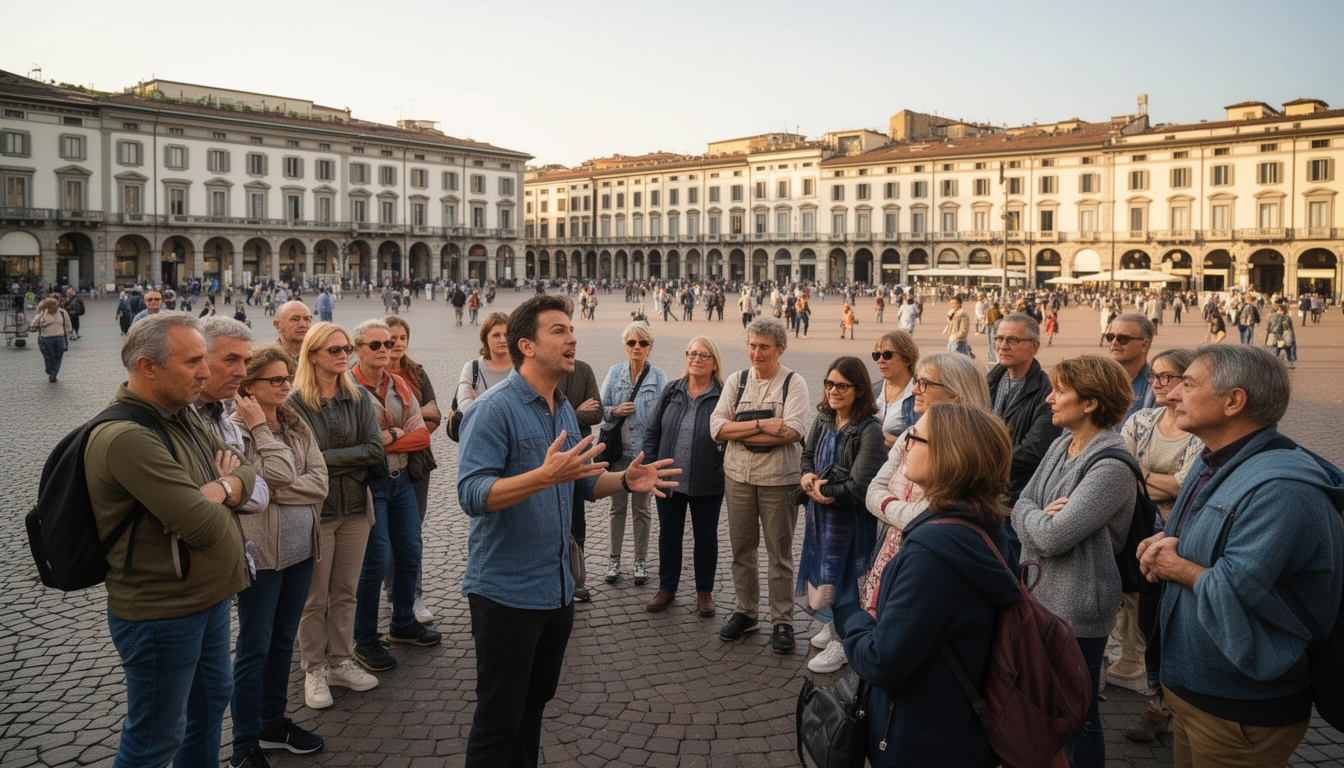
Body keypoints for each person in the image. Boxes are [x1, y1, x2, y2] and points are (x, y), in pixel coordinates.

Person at [456, 294, 677, 766]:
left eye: (570, 327)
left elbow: (581, 483)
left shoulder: (562, 408)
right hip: (505, 595)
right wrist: (543, 476)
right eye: (558, 330)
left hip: (557, 591)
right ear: (526, 346)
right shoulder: (492, 410)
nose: (572, 336)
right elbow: (472, 494)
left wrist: (624, 479)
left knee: (532, 709)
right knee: (498, 721)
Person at [1142, 344, 1343, 768]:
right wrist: (1161, 543)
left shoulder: (1281, 490)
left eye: (1188, 384)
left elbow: (1236, 588)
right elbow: (1190, 540)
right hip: (1194, 690)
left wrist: (1175, 566)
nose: (1173, 393)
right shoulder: (1213, 459)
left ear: (1234, 401)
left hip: (1240, 709)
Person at [90, 313, 257, 768]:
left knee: (208, 707)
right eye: (193, 361)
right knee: (155, 737)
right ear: (147, 367)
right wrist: (223, 493)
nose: (205, 373)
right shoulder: (127, 437)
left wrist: (221, 488)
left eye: (206, 359)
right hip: (162, 612)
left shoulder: (180, 415)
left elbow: (244, 465)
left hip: (207, 597)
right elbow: (200, 525)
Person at [835, 403, 1022, 767]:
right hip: (956, 724)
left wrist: (852, 615)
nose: (905, 443)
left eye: (915, 437)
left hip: (917, 736)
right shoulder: (985, 525)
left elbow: (882, 662)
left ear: (950, 456)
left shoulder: (933, 554)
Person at [1012, 355, 1137, 768]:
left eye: (1060, 390)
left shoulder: (1111, 464)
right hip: (1041, 597)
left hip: (1078, 607)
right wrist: (1039, 513)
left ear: (1090, 403)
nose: (1049, 398)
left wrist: (1038, 517)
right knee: (1045, 710)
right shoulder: (1060, 444)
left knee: (1078, 717)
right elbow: (1019, 505)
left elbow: (1054, 535)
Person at [228, 343, 329, 767]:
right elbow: (276, 479)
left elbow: (319, 480)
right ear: (247, 387)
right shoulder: (234, 430)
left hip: (301, 548)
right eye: (276, 380)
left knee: (283, 641)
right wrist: (262, 432)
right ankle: (244, 744)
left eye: (288, 377)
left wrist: (274, 491)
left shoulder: (295, 420)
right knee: (255, 647)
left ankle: (272, 723)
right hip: (261, 554)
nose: (287, 385)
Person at [288, 322, 385, 710]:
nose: (344, 355)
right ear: (312, 355)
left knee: (346, 591)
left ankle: (342, 660)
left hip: (357, 509)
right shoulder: (295, 402)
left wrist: (326, 462)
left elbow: (375, 449)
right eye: (335, 350)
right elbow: (301, 463)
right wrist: (343, 460)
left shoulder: (358, 395)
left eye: (346, 348)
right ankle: (314, 668)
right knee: (314, 598)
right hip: (318, 512)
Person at [1115, 348, 1203, 744]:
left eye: (1170, 377)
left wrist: (1145, 475)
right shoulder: (1141, 419)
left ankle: (1183, 706)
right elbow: (1122, 471)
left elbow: (1187, 485)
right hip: (1140, 535)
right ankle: (1157, 703)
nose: (1160, 384)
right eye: (1155, 377)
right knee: (1149, 620)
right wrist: (1160, 480)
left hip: (1185, 541)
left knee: (1182, 624)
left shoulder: (1201, 427)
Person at [709, 317, 810, 653]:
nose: (756, 352)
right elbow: (717, 428)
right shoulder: (736, 381)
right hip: (737, 475)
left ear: (779, 349)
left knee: (779, 554)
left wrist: (740, 427)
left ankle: (782, 620)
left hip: (779, 480)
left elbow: (793, 431)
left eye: (764, 347)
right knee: (741, 549)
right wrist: (765, 424)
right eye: (752, 345)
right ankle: (746, 612)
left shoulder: (794, 383)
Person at [348, 319, 439, 673]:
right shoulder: (348, 390)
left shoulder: (398, 383)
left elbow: (423, 437)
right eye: (375, 345)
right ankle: (364, 639)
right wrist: (383, 441)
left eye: (388, 343)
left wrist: (390, 436)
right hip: (372, 485)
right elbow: (360, 446)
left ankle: (402, 622)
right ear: (358, 350)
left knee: (410, 550)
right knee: (375, 560)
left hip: (402, 480)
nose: (385, 349)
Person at [797, 356, 885, 674]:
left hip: (851, 521)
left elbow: (860, 487)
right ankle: (835, 627)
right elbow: (807, 456)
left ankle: (845, 642)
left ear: (860, 390)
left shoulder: (869, 430)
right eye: (829, 383)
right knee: (826, 574)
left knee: (847, 580)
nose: (834, 391)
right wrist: (806, 477)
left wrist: (823, 493)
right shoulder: (823, 419)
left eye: (842, 386)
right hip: (821, 518)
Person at [641, 336, 725, 615]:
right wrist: (650, 469)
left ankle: (704, 593)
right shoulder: (671, 391)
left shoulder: (723, 394)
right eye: (691, 354)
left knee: (706, 538)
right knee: (668, 536)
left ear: (714, 364)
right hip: (668, 479)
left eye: (703, 355)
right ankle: (667, 588)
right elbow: (652, 431)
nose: (696, 359)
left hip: (707, 480)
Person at [384, 315, 443, 625]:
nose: (396, 343)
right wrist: (415, 426)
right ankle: (391, 588)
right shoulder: (366, 375)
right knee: (381, 534)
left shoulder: (416, 372)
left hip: (417, 465)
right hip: (381, 469)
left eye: (402, 338)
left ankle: (412, 595)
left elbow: (434, 416)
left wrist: (396, 436)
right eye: (390, 338)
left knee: (411, 533)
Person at [600, 322, 668, 585]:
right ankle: (614, 559)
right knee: (617, 508)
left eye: (642, 343)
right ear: (625, 346)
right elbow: (601, 409)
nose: (637, 348)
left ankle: (640, 560)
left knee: (642, 509)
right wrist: (615, 412)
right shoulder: (614, 372)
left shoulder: (658, 377)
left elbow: (663, 417)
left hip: (643, 454)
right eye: (631, 343)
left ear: (650, 347)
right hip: (618, 454)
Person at [986, 313, 1062, 508]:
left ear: (1034, 347)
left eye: (1013, 340)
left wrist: (982, 463)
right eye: (999, 338)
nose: (1003, 346)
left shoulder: (1047, 391)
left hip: (1018, 496)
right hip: (984, 487)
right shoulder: (990, 381)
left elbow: (1034, 450)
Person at [559, 354, 603, 603]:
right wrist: (575, 413)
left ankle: (575, 576)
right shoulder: (539, 372)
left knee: (577, 517)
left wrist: (562, 416)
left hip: (578, 458)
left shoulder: (583, 369)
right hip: (546, 458)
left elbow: (597, 413)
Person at [456, 312, 514, 412]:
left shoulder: (524, 367)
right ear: (485, 338)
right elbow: (464, 405)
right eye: (496, 335)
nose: (503, 340)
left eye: (506, 334)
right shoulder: (472, 368)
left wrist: (479, 402)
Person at [871, 330, 919, 449]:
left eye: (887, 355)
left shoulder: (919, 394)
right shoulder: (873, 390)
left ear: (907, 359)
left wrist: (877, 437)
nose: (880, 360)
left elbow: (920, 445)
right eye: (877, 355)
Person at [1107, 312, 1156, 423]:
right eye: (1110, 337)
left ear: (1145, 346)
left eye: (1123, 338)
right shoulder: (1096, 381)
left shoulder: (1156, 386)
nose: (1114, 343)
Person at [29, 296, 72, 382]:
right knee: (49, 356)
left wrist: (66, 334)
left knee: (58, 356)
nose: (50, 310)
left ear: (56, 306)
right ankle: (50, 370)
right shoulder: (42, 313)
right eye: (48, 308)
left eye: (52, 308)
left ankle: (53, 374)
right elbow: (34, 323)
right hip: (46, 338)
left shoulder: (63, 313)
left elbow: (67, 324)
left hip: (59, 338)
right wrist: (34, 326)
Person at [1265, 302, 1297, 369]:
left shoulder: (1271, 317)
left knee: (1275, 352)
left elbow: (1268, 328)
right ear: (1282, 310)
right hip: (1285, 338)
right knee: (1288, 351)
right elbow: (1291, 329)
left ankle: (1273, 365)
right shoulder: (1287, 318)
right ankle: (1289, 363)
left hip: (1274, 337)